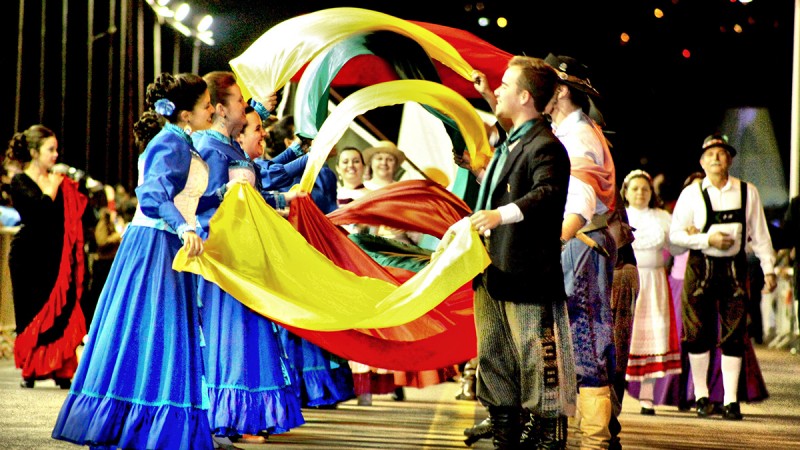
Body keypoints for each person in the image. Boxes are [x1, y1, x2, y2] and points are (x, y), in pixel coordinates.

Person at [52, 72, 219, 449]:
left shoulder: (183, 142)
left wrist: (224, 198)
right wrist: (183, 227)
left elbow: (187, 196)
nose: (211, 109)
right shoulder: (170, 143)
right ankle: (142, 421)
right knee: (154, 329)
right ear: (186, 114)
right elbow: (153, 194)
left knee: (161, 330)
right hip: (156, 244)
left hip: (169, 242)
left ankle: (157, 422)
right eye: (206, 105)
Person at [468, 56, 574, 449]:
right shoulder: (515, 140)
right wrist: (483, 98)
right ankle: (504, 439)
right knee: (493, 360)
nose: (497, 88)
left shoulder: (548, 146)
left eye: (505, 85)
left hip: (529, 276)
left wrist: (500, 214)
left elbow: (547, 194)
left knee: (537, 365)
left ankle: (548, 440)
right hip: (493, 272)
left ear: (526, 97)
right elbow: (509, 155)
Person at [193, 71, 304, 446]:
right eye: (242, 101)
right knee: (234, 338)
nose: (247, 105)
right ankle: (228, 416)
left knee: (250, 335)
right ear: (221, 110)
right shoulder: (210, 147)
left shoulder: (230, 147)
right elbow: (206, 205)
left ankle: (245, 415)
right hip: (226, 258)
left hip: (244, 254)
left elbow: (252, 191)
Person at [670, 133, 777, 421]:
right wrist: (707, 239)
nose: (717, 158)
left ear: (730, 159)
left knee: (734, 333)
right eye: (711, 154)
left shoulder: (747, 191)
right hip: (700, 267)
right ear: (702, 161)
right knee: (697, 333)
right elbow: (675, 237)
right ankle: (702, 396)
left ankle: (731, 401)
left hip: (734, 268)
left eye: (722, 153)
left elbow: (761, 234)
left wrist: (769, 269)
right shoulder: (691, 194)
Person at [543, 53, 618, 449]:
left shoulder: (580, 138)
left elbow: (580, 204)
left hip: (581, 243)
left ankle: (595, 442)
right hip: (577, 243)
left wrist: (548, 242)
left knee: (585, 336)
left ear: (559, 91)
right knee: (577, 338)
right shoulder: (566, 133)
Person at [6, 124, 87, 389]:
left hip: (55, 257)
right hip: (28, 257)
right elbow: (38, 213)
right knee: (32, 313)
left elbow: (74, 214)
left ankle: (61, 367)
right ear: (34, 151)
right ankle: (32, 369)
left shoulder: (58, 179)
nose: (55, 154)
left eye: (56, 149)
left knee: (61, 312)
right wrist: (51, 188)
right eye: (50, 149)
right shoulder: (19, 181)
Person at [620, 169, 682, 415]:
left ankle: (647, 398)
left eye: (645, 188)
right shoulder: (619, 216)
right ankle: (617, 396)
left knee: (654, 336)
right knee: (625, 336)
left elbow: (676, 248)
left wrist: (686, 233)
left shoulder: (662, 217)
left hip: (655, 282)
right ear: (626, 191)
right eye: (635, 188)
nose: (640, 193)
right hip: (627, 282)